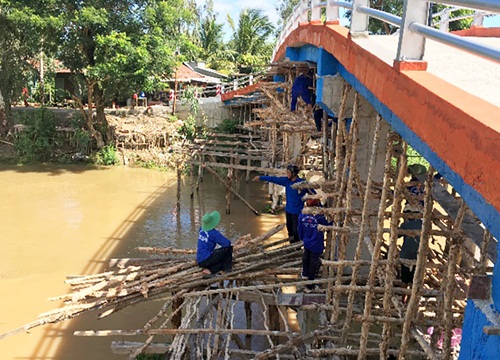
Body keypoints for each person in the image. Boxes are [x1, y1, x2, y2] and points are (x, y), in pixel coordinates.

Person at [253, 164, 308, 243]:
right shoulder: (286, 181)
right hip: (288, 211)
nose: (287, 174)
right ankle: (292, 247)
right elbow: (273, 179)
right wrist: (260, 178)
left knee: (297, 231)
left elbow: (313, 192)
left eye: (288, 172)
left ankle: (298, 247)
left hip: (298, 212)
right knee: (290, 231)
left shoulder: (302, 183)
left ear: (293, 173)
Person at [298, 198, 331, 292]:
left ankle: (304, 275)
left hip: (307, 242)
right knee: (314, 264)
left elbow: (300, 229)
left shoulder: (302, 215)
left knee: (306, 258)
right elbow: (327, 226)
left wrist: (303, 238)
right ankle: (310, 286)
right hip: (316, 244)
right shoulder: (319, 217)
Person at [196, 210, 233, 276]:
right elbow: (227, 243)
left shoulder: (201, 229)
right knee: (228, 249)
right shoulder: (213, 233)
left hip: (199, 259)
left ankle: (208, 269)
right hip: (206, 259)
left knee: (219, 258)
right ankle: (227, 270)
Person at [398, 203, 423, 302]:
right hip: (418, 256)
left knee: (404, 280)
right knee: (414, 280)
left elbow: (397, 235)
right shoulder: (422, 224)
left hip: (406, 255)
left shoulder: (406, 225)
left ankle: (402, 300)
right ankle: (409, 301)